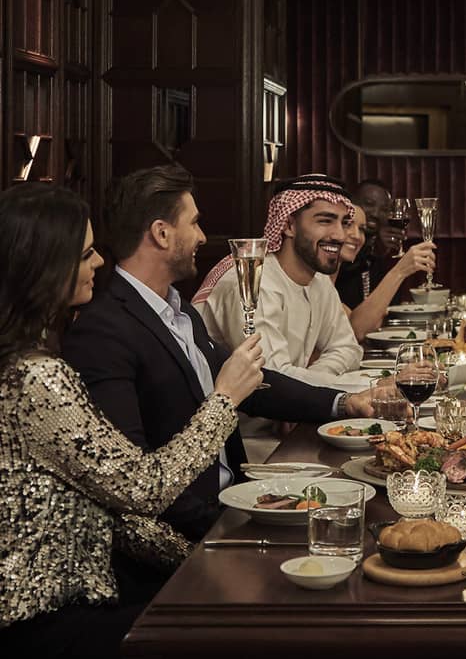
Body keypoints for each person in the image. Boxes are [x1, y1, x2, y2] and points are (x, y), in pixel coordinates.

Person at [0, 184, 263, 659]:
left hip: (77, 602)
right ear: (42, 269)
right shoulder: (34, 378)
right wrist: (225, 399)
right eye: (84, 253)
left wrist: (207, 557)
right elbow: (144, 488)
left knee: (256, 611)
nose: (99, 260)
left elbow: (117, 510)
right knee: (262, 639)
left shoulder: (30, 362)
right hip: (43, 629)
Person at [62, 165, 374, 542]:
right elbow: (133, 484)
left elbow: (257, 382)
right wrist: (229, 526)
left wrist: (344, 403)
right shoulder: (103, 331)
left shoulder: (179, 312)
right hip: (192, 531)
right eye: (194, 224)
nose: (202, 236)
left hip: (233, 498)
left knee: (356, 505)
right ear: (162, 234)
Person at [195, 174, 363, 383]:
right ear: (289, 225)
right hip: (234, 414)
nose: (339, 235)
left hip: (292, 409)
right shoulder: (251, 280)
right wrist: (353, 388)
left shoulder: (319, 280)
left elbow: (348, 349)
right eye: (325, 221)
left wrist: (317, 377)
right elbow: (273, 378)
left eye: (344, 223)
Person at [333, 204, 435, 341]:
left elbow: (361, 324)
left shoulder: (329, 285)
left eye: (362, 229)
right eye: (347, 224)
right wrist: (400, 271)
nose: (357, 236)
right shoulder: (316, 280)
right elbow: (356, 331)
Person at [353, 177, 397, 257]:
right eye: (369, 204)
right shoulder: (340, 237)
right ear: (352, 202)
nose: (375, 214)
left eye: (384, 209)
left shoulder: (384, 242)